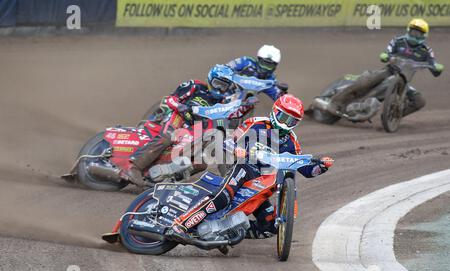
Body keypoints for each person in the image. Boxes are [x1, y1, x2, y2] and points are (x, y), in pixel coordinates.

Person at [166, 94, 334, 241]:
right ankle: (180, 225)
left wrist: (321, 166)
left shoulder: (292, 142)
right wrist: (237, 150)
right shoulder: (255, 123)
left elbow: (304, 169)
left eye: (291, 121)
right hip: (244, 169)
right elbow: (228, 142)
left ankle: (228, 233)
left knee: (271, 226)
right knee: (223, 197)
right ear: (275, 112)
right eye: (283, 117)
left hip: (264, 183)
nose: (285, 124)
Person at [121, 67, 240, 187]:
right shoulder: (195, 86)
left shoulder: (222, 102)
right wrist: (179, 107)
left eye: (223, 86)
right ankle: (133, 166)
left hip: (196, 128)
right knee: (167, 137)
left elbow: (226, 116)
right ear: (210, 79)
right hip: (179, 117)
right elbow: (170, 99)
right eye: (217, 83)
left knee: (201, 162)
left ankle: (168, 178)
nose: (219, 88)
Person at [331, 19, 444, 117]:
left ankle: (394, 115)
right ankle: (336, 102)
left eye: (418, 34)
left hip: (404, 80)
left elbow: (433, 66)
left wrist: (437, 68)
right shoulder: (398, 41)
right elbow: (387, 51)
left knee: (419, 101)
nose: (415, 36)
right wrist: (385, 55)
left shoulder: (426, 51)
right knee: (366, 81)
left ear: (424, 35)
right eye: (413, 32)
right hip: (389, 71)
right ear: (408, 30)